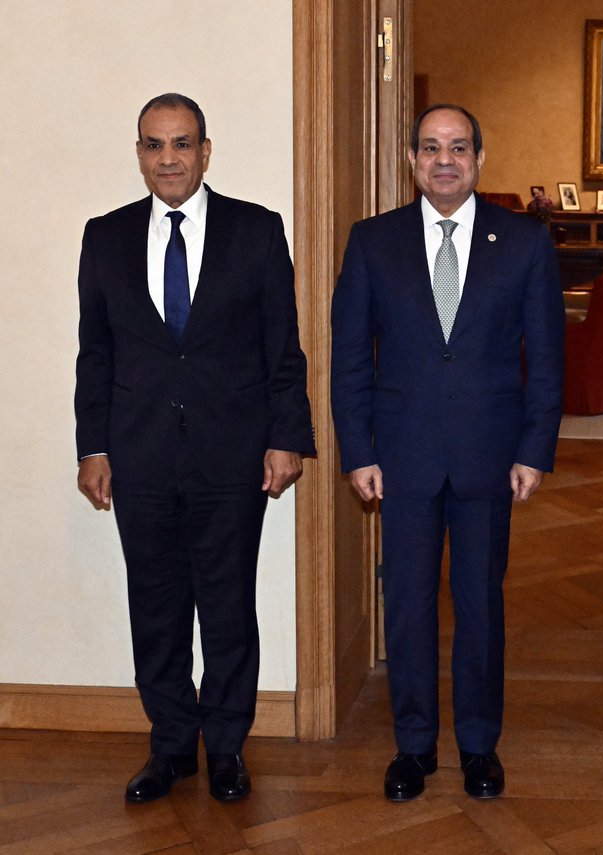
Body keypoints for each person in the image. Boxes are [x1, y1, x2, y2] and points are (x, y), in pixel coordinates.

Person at [74, 93, 315, 804]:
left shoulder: (256, 231)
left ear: (206, 151)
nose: (169, 158)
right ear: (140, 153)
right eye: (154, 145)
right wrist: (93, 446)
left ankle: (228, 747)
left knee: (228, 604)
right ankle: (172, 744)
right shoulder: (106, 236)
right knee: (155, 606)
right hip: (138, 453)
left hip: (232, 455)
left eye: (182, 143)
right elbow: (95, 354)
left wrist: (285, 437)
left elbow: (284, 349)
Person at [330, 103, 564, 802]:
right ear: (411, 160)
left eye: (458, 147)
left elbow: (546, 361)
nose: (444, 159)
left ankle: (478, 745)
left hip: (491, 455)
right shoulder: (373, 242)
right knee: (405, 604)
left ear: (479, 158)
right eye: (430, 147)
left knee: (480, 604)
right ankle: (413, 746)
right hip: (398, 457)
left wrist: (535, 448)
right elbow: (349, 361)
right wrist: (357, 449)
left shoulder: (522, 242)